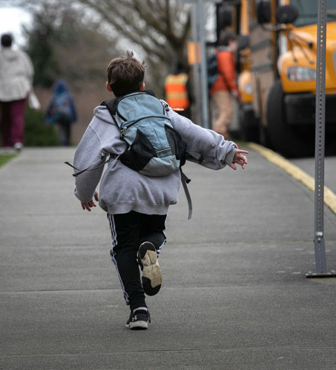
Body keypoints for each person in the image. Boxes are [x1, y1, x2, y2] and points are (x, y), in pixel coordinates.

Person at [70, 51, 248, 330]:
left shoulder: (106, 113)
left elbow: (87, 157)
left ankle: (139, 310)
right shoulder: (160, 106)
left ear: (109, 87)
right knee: (155, 233)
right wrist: (227, 151)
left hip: (123, 191)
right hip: (160, 187)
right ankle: (150, 246)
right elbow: (193, 133)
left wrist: (84, 193)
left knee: (123, 249)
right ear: (143, 85)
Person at [0, 33, 34, 152]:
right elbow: (29, 71)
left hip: (3, 89)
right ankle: (17, 141)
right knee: (17, 115)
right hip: (20, 88)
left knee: (5, 117)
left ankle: (6, 142)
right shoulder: (21, 55)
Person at [210, 31, 239, 140]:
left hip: (215, 87)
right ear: (230, 42)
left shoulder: (218, 53)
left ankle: (221, 139)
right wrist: (234, 89)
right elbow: (228, 73)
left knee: (219, 113)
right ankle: (220, 135)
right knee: (226, 111)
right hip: (221, 87)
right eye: (235, 43)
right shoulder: (225, 55)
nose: (236, 46)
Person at [44, 80, 78, 146]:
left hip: (59, 116)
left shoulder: (55, 96)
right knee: (68, 129)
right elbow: (72, 108)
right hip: (68, 116)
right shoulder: (68, 96)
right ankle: (66, 142)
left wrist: (47, 117)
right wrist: (74, 117)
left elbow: (50, 107)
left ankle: (62, 142)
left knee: (61, 128)